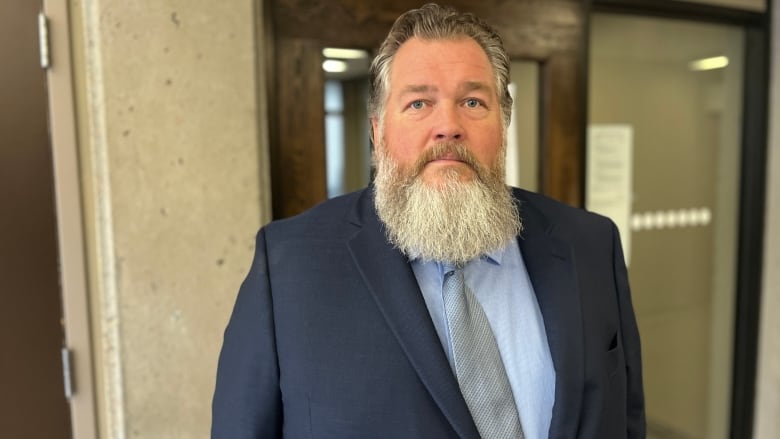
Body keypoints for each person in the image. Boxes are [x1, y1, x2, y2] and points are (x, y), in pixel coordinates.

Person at [212, 3, 645, 438]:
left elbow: (624, 421)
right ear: (378, 132)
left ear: (503, 124)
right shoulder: (287, 268)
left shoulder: (591, 245)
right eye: (419, 102)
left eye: (473, 101)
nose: (448, 126)